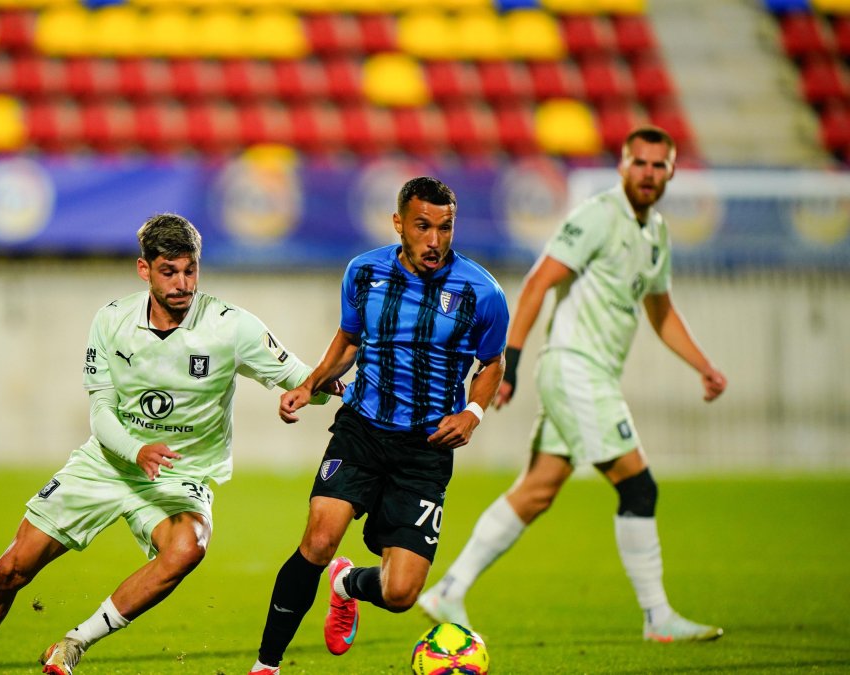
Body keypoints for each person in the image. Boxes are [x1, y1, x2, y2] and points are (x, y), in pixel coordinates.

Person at [0, 213, 338, 675]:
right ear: (144, 270)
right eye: (169, 271)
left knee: (188, 546)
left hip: (179, 474)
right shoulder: (111, 320)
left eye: (191, 270)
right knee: (12, 569)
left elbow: (310, 380)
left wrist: (310, 391)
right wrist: (136, 451)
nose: (183, 283)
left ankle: (76, 642)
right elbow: (101, 411)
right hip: (107, 462)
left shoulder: (233, 327)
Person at [418, 126, 728, 643]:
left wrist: (704, 365)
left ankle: (448, 589)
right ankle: (657, 618)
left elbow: (661, 311)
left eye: (659, 165)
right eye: (640, 163)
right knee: (638, 484)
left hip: (594, 374)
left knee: (537, 491)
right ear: (622, 165)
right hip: (574, 368)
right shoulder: (598, 216)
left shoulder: (656, 235)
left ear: (672, 171)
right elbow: (540, 279)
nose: (649, 174)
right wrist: (510, 362)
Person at [247, 176, 510, 675]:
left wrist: (472, 413)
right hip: (363, 429)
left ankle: (347, 585)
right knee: (320, 540)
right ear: (399, 225)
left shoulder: (483, 292)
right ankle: (267, 665)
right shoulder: (364, 272)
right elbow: (348, 340)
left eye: (446, 228)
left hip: (426, 448)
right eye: (423, 226)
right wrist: (312, 384)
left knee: (400, 593)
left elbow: (491, 363)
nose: (435, 241)